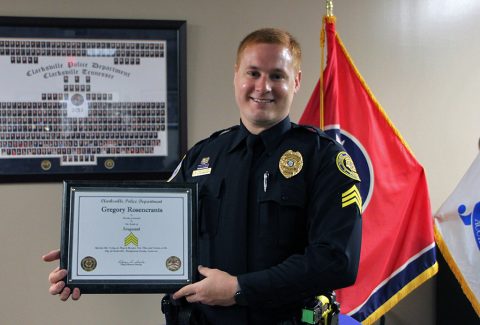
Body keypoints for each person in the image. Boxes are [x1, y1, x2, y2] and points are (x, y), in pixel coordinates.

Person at [43, 28, 362, 324]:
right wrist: (86, 255)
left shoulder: (323, 158)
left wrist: (240, 288)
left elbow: (335, 260)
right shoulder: (201, 156)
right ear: (236, 75)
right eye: (253, 73)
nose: (262, 86)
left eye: (277, 75)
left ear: (296, 81)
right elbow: (152, 228)